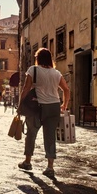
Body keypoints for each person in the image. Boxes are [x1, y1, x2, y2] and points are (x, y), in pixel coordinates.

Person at [17, 48, 70, 178]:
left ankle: (28, 162)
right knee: (50, 136)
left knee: (31, 134)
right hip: (54, 107)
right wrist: (64, 105)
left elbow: (26, 88)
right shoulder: (56, 73)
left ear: (37, 59)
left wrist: (20, 104)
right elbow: (66, 90)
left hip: (37, 107)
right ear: (50, 59)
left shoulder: (33, 70)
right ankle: (50, 166)